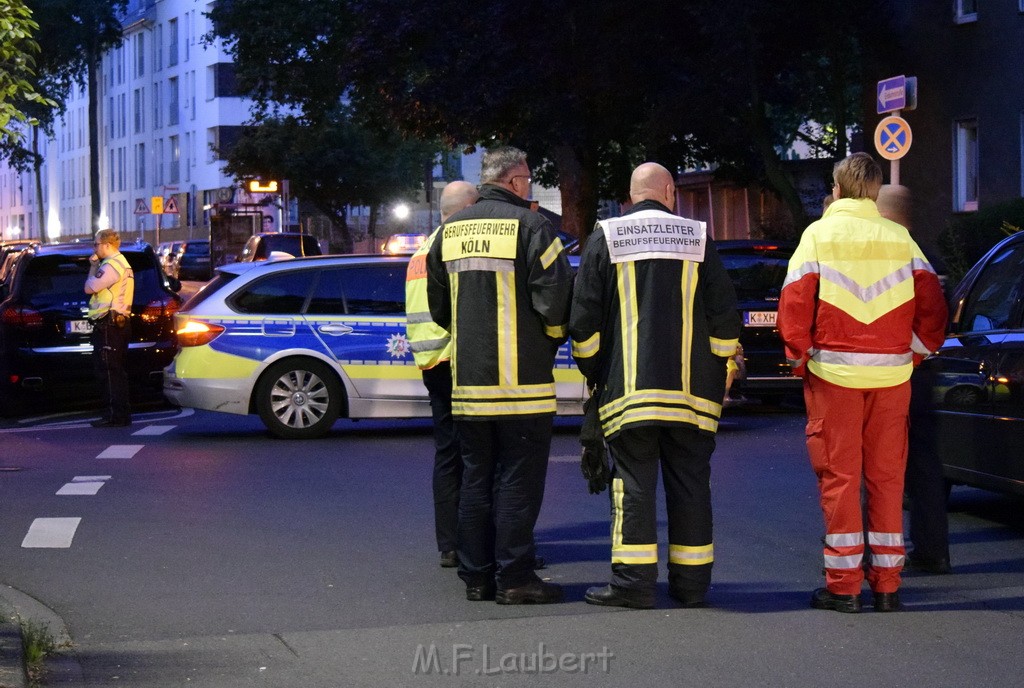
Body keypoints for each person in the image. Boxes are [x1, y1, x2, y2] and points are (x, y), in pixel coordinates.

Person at [778, 153, 948, 613]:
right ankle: (888, 585)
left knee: (840, 478)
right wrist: (911, 353)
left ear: (837, 188)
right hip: (893, 378)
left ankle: (844, 586)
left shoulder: (818, 235)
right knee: (889, 478)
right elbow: (934, 310)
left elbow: (794, 306)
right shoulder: (901, 239)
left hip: (834, 378)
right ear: (875, 191)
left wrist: (800, 359)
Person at [569, 162, 741, 609]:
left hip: (628, 394)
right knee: (690, 486)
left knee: (633, 486)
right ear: (669, 191)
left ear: (631, 195)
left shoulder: (606, 236)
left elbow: (583, 324)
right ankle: (692, 587)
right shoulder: (698, 237)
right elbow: (725, 319)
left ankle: (633, 586)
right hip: (692, 398)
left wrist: (596, 371)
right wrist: (718, 371)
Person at [426, 146, 573, 605]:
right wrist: (544, 344)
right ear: (514, 182)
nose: (529, 187)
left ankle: (477, 578)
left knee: (476, 480)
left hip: (468, 386)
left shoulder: (447, 232)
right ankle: (515, 579)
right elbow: (555, 306)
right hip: (522, 387)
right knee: (516, 483)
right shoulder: (533, 228)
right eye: (527, 180)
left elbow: (440, 309)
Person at [876, 184, 952, 574]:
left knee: (874, 463)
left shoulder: (880, 251)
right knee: (924, 463)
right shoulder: (927, 256)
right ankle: (934, 550)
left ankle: (874, 553)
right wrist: (919, 353)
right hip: (919, 373)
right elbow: (939, 314)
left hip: (883, 373)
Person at [405, 180, 479, 569]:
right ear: (467, 208)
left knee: (447, 454)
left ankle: (448, 543)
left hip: (431, 361)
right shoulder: (453, 245)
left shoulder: (421, 247)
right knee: (477, 454)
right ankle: (474, 542)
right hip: (457, 358)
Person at [84, 229, 135, 427]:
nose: (94, 248)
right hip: (117, 324)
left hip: (109, 324)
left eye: (96, 244)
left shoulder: (112, 265)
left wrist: (93, 267)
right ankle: (120, 414)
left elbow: (89, 287)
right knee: (116, 370)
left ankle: (116, 416)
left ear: (106, 245)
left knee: (109, 371)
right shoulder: (121, 263)